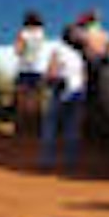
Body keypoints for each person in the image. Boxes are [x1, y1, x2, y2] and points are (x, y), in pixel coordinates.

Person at [39, 26, 87, 173]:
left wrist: (46, 80)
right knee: (72, 127)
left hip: (61, 89)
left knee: (51, 125)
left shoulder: (58, 50)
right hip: (77, 91)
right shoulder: (79, 53)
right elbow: (84, 74)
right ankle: (70, 162)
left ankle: (47, 161)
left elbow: (52, 71)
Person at [14, 11, 47, 131]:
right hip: (38, 68)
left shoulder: (23, 33)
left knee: (22, 98)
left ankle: (22, 127)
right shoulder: (41, 33)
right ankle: (37, 126)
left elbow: (18, 50)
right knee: (37, 99)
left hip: (24, 68)